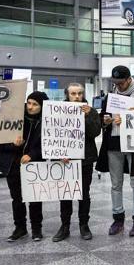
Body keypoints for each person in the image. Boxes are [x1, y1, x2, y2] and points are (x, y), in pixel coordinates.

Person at [97, 65, 134, 237]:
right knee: (115, 184)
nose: (118, 86)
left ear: (129, 79)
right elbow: (103, 118)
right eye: (115, 82)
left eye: (121, 82)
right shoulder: (111, 96)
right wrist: (105, 120)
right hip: (113, 143)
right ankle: (118, 218)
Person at [53, 82, 101, 242]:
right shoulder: (57, 111)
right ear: (67, 95)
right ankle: (64, 226)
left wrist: (87, 116)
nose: (77, 97)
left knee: (83, 194)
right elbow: (52, 135)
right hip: (65, 160)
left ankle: (84, 225)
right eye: (73, 94)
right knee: (65, 194)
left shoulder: (91, 111)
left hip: (84, 159)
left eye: (79, 93)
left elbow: (95, 133)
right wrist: (59, 154)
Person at [7, 91, 47, 241]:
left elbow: (47, 143)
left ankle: (36, 228)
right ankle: (20, 228)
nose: (30, 107)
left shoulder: (46, 121)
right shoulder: (17, 119)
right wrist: (14, 144)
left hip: (35, 164)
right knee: (17, 198)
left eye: (35, 104)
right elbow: (3, 140)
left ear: (42, 107)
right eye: (29, 103)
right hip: (14, 164)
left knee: (35, 198)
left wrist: (32, 155)